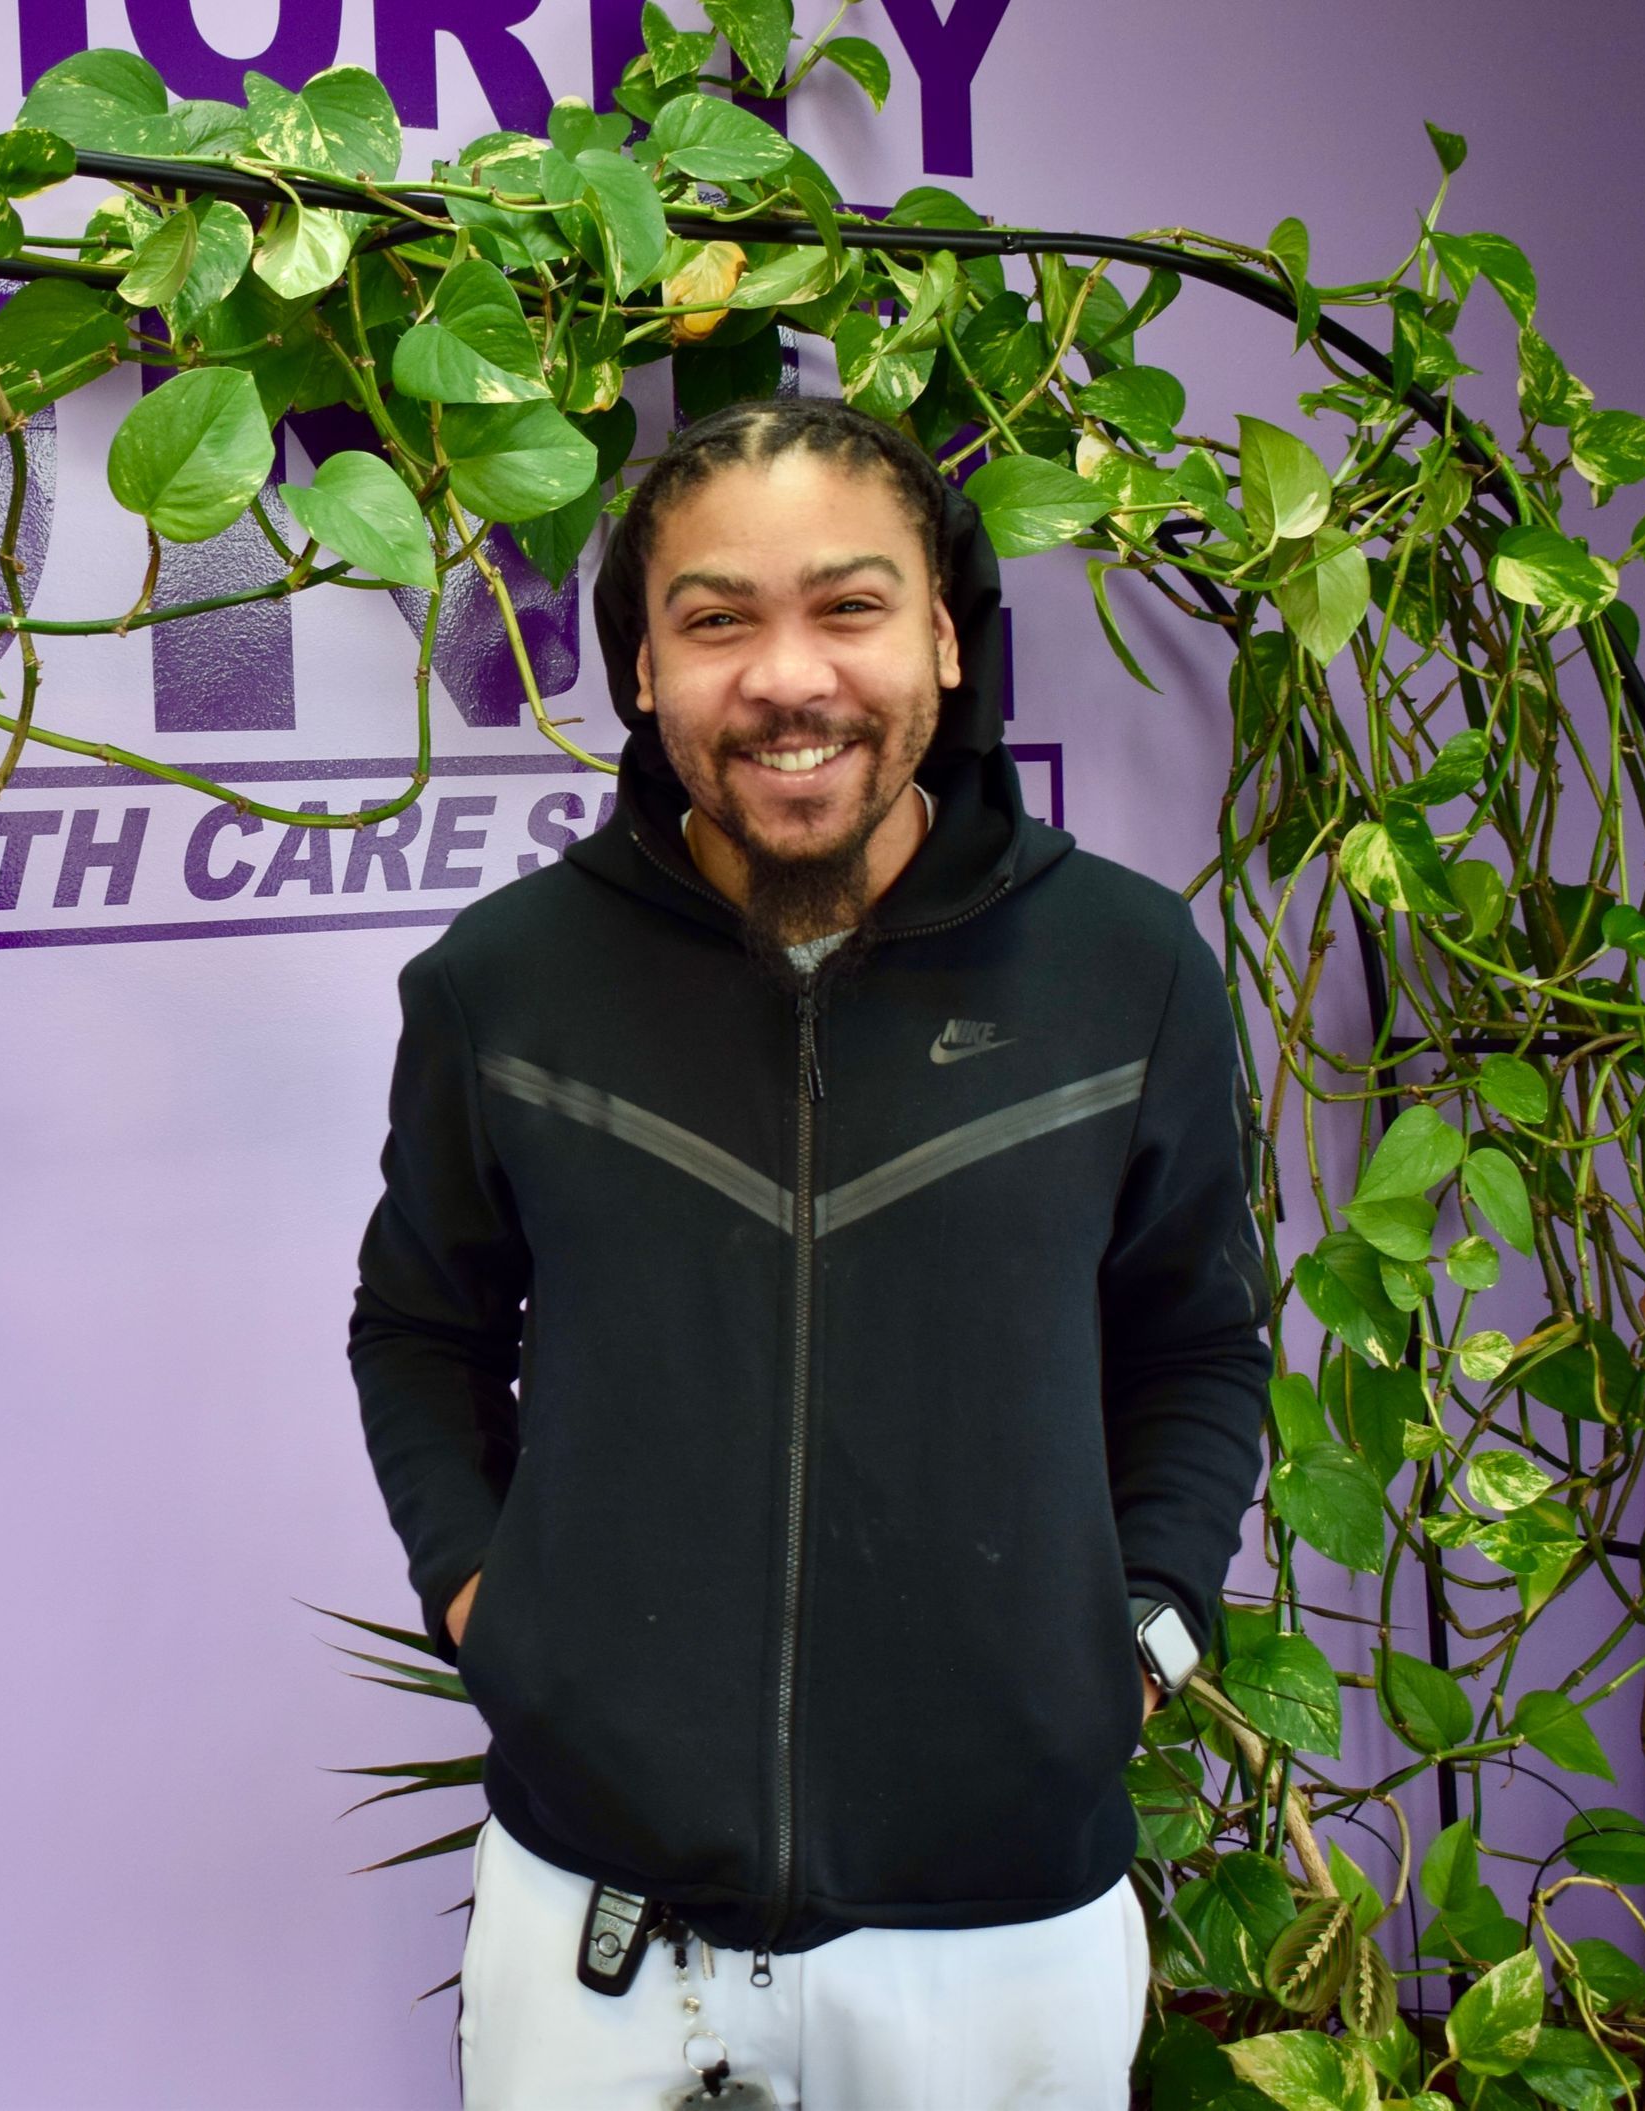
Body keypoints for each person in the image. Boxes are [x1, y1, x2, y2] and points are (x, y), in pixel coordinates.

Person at [348, 395, 1274, 2109]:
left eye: (848, 606)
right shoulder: (504, 987)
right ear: (643, 666)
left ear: (941, 631)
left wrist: (1137, 1641)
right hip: (598, 1934)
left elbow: (1200, 1346)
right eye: (717, 620)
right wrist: (497, 1607)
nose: (788, 677)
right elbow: (418, 1327)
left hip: (1006, 1942)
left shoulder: (1126, 970)